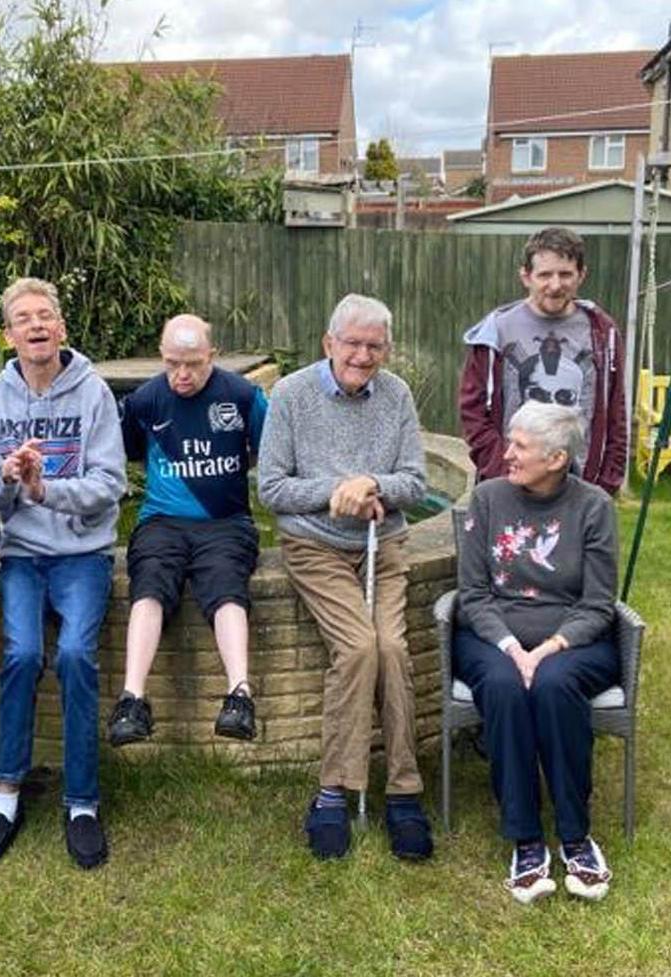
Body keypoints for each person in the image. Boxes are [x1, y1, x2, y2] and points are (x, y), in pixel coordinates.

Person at [259, 293, 434, 862]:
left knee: (393, 650)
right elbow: (272, 489)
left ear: (386, 349)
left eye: (374, 346)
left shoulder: (398, 395)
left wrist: (373, 486)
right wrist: (338, 495)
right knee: (358, 648)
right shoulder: (290, 396)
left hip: (382, 545)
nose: (363, 355)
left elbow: (416, 480)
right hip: (316, 548)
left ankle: (404, 790)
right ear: (328, 343)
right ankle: (334, 791)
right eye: (352, 343)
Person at [0, 277, 126, 870]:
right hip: (25, 557)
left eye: (45, 316)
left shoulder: (95, 395)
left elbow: (112, 485)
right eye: (24, 319)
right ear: (10, 335)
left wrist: (44, 487)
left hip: (84, 554)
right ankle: (6, 795)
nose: (36, 326)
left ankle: (81, 803)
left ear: (60, 327)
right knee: (22, 656)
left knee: (77, 656)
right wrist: (8, 477)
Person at [452, 401, 619, 904]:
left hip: (574, 640)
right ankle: (525, 839)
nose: (507, 454)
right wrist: (510, 647)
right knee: (503, 684)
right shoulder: (487, 499)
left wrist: (546, 649)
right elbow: (473, 595)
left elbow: (598, 604)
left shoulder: (593, 507)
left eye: (520, 447)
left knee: (554, 683)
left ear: (557, 459)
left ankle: (575, 836)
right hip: (492, 636)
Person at [107, 314, 267, 746]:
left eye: (194, 363)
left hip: (227, 522)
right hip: (161, 521)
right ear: (161, 356)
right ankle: (132, 699)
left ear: (212, 356)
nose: (182, 374)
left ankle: (240, 695)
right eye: (173, 362)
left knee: (227, 586)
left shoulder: (244, 396)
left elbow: (267, 451)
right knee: (149, 586)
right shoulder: (144, 400)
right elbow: (131, 452)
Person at [459, 225, 627, 495]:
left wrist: (607, 482)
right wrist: (501, 469)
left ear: (581, 275)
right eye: (545, 275)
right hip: (510, 483)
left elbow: (615, 412)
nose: (555, 285)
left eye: (565, 274)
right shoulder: (496, 332)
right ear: (526, 276)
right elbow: (473, 413)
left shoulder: (602, 333)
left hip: (581, 486)